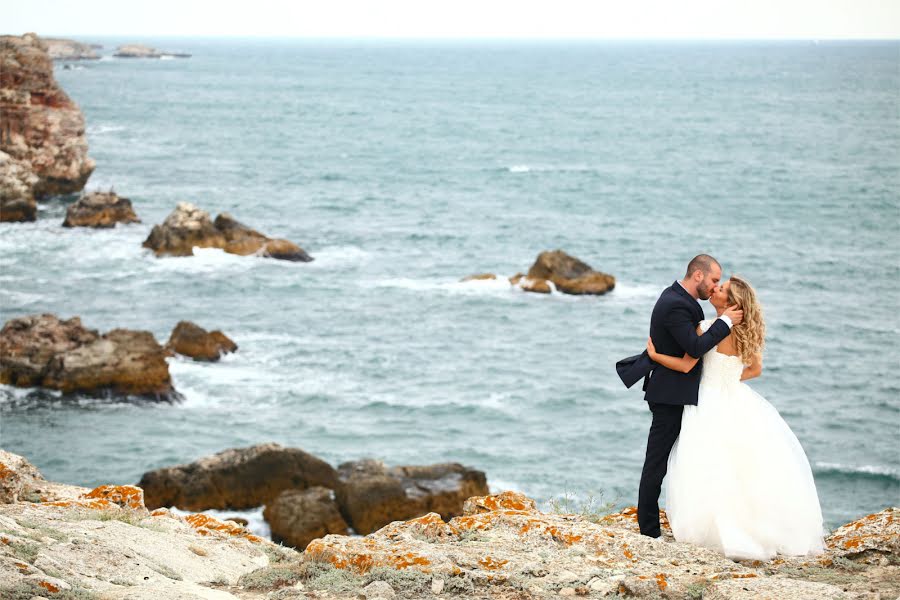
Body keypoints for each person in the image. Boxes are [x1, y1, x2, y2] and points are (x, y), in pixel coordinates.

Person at [647, 276, 825, 560]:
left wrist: (654, 356)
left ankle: (715, 530)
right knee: (743, 468)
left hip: (706, 402)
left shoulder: (706, 328)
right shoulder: (746, 332)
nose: (714, 289)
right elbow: (755, 370)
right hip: (736, 399)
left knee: (707, 465)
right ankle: (751, 528)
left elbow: (684, 365)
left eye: (721, 289)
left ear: (729, 303)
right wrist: (728, 380)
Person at [636, 255, 744, 539]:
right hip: (670, 395)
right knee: (656, 463)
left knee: (692, 460)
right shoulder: (676, 305)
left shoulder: (684, 302)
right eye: (713, 280)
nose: (714, 286)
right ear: (698, 275)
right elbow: (695, 349)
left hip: (685, 395)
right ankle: (649, 531)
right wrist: (725, 322)